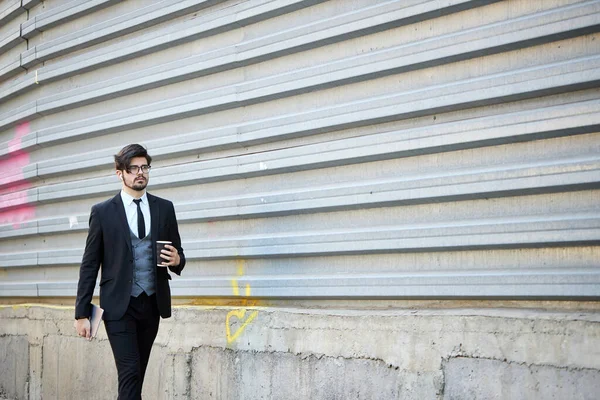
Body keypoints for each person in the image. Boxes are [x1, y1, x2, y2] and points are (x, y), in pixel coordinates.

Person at [74, 144, 186, 399]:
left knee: (137, 375)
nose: (140, 173)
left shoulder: (164, 208)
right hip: (118, 308)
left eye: (144, 167)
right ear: (119, 173)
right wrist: (82, 313)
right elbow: (90, 264)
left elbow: (178, 254)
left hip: (151, 305)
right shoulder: (103, 212)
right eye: (133, 168)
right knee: (130, 373)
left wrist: (178, 259)